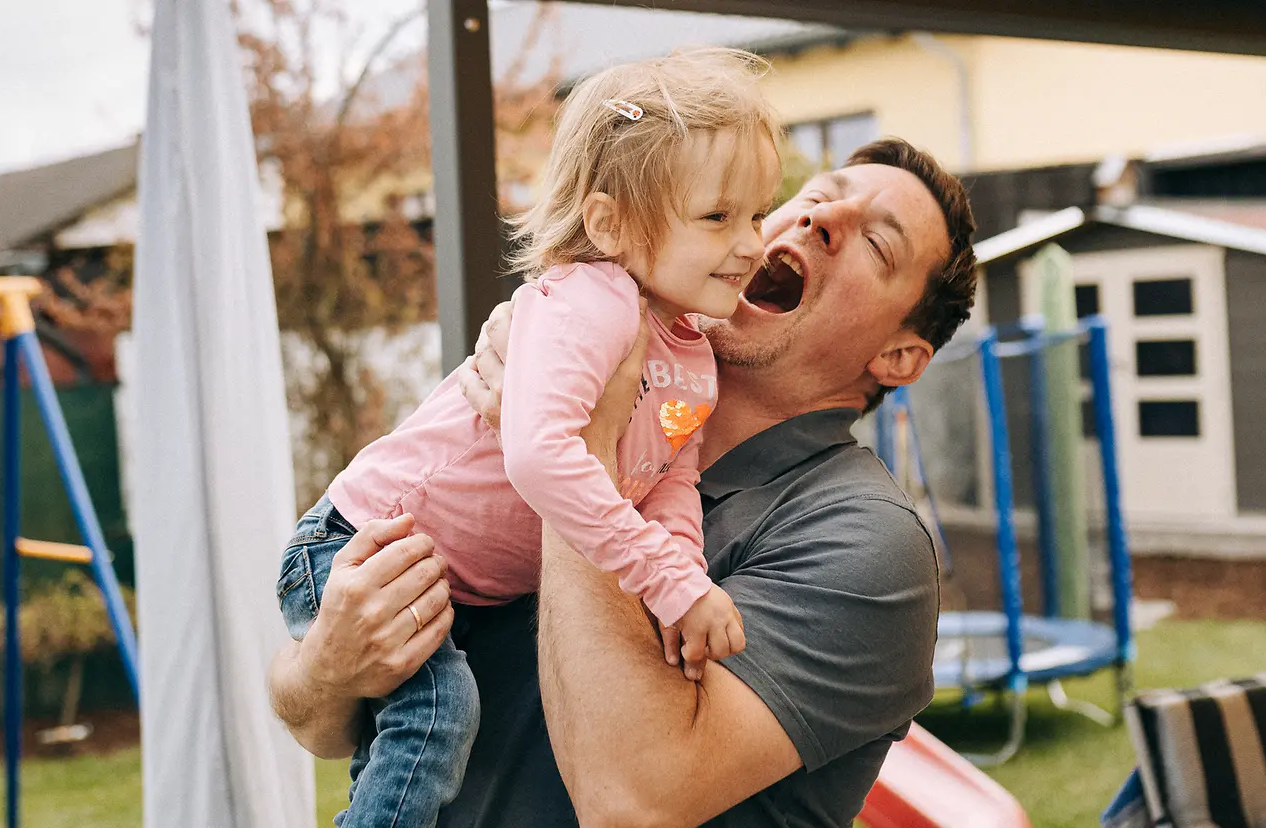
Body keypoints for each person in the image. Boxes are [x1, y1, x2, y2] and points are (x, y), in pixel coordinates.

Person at [270, 135, 977, 827]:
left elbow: (630, 803)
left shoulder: (867, 546)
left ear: (900, 355)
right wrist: (323, 674)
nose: (821, 220)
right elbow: (323, 720)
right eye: (816, 196)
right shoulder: (588, 378)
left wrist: (574, 452)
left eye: (877, 244)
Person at [275, 48, 785, 827]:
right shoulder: (593, 301)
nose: (752, 242)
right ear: (608, 223)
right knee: (436, 715)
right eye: (717, 216)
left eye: (757, 212)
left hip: (454, 579)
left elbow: (671, 479)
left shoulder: (690, 353)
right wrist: (665, 580)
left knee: (426, 727)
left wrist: (684, 574)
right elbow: (541, 454)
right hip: (364, 543)